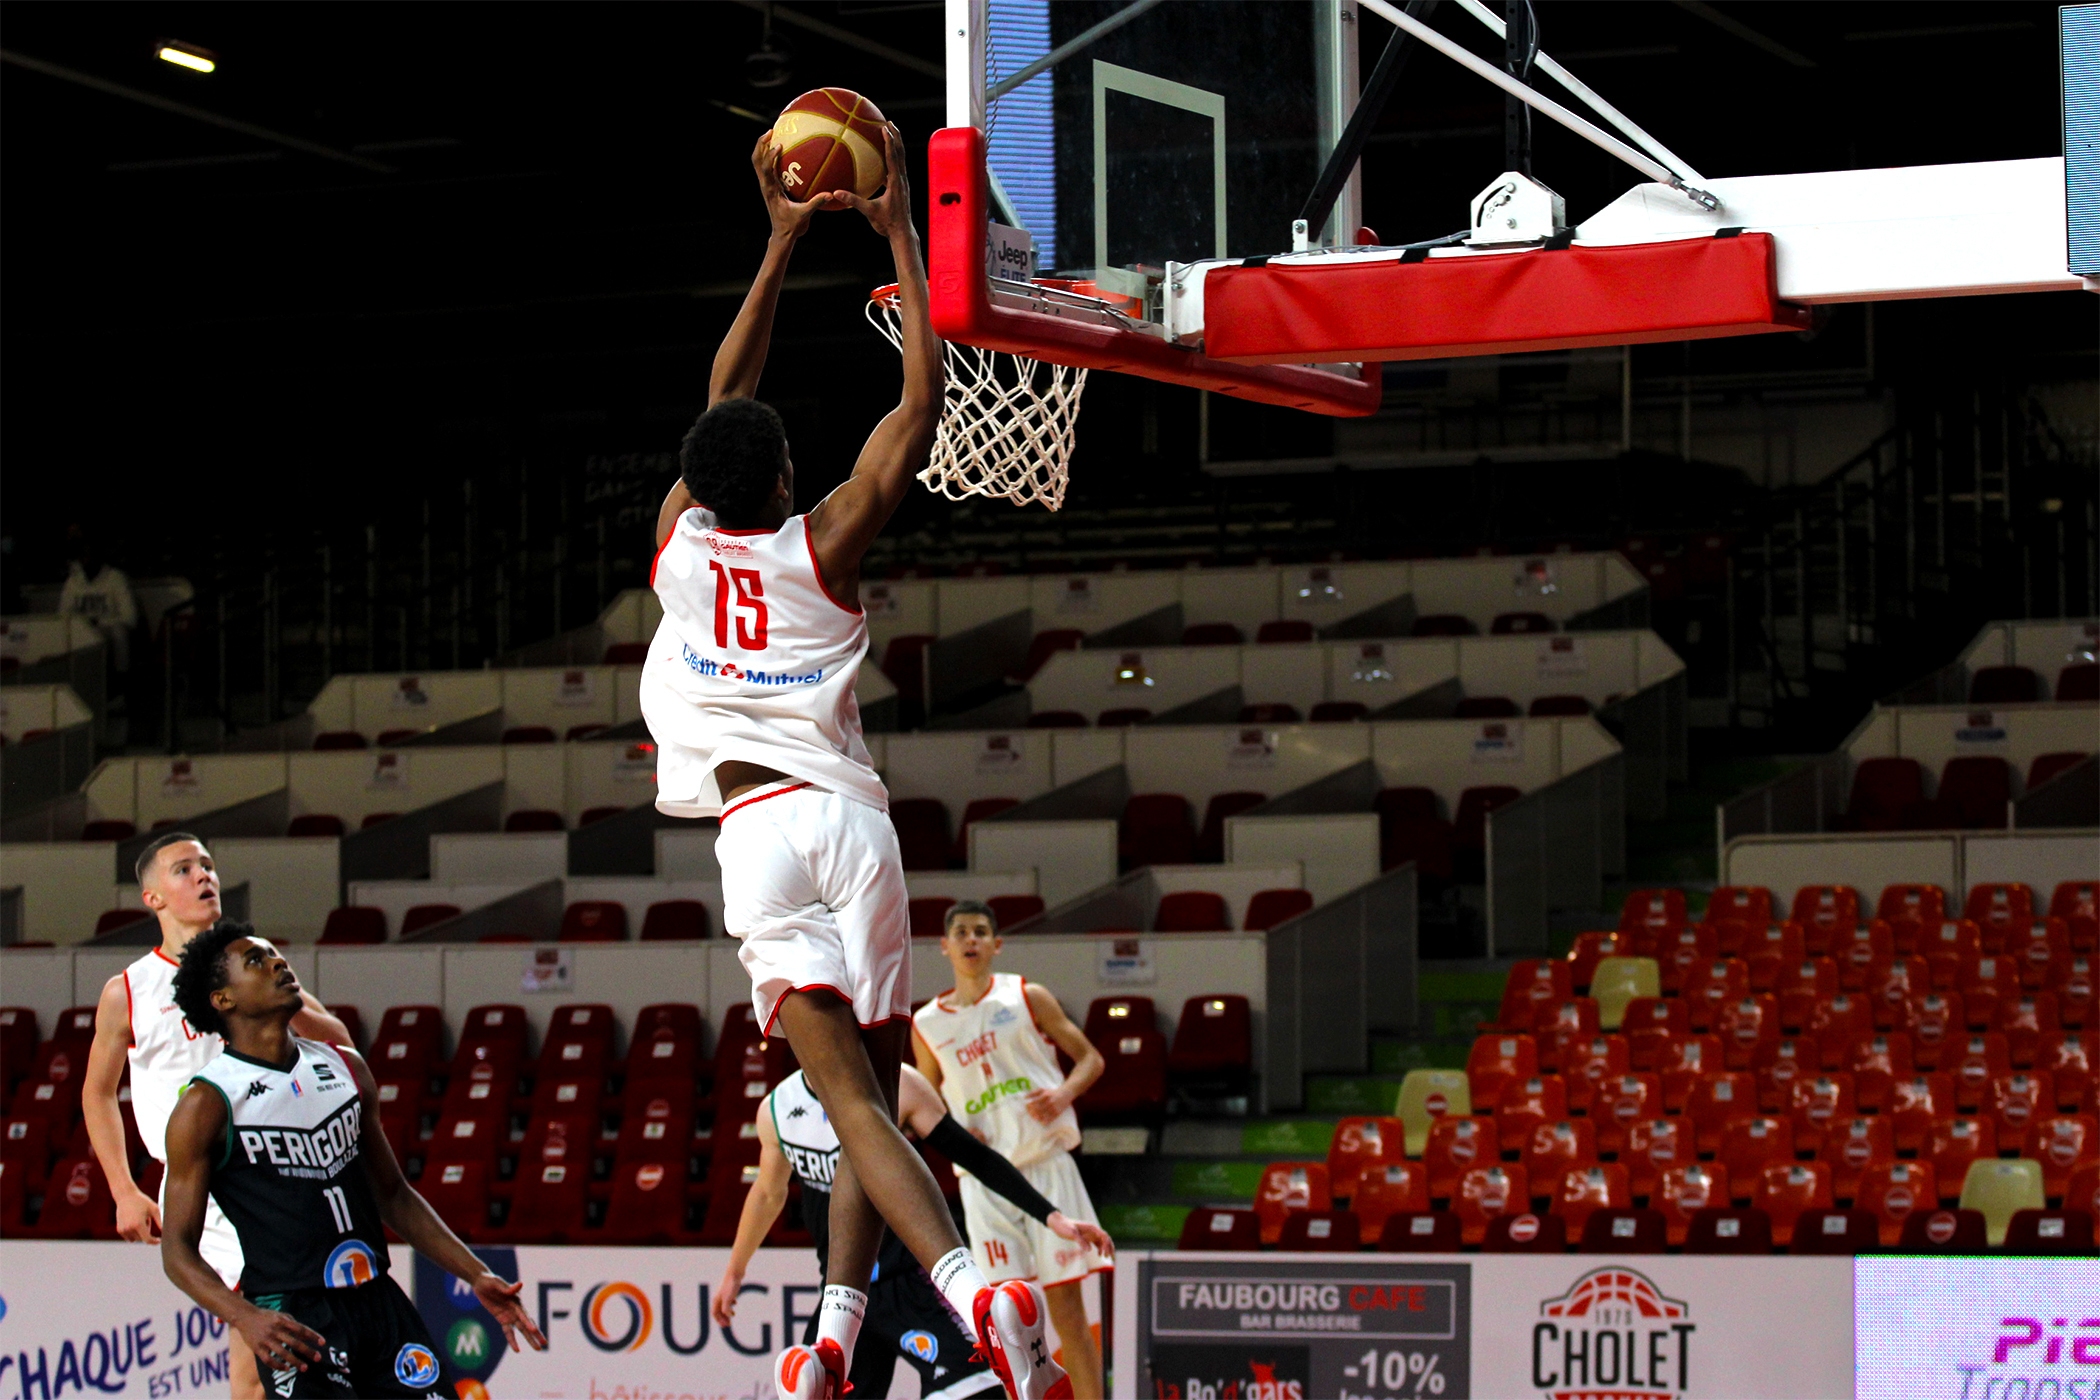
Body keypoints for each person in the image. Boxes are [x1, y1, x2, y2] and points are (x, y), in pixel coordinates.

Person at [638, 125, 1067, 1400]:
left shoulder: (674, 548)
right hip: (854, 827)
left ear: (700, 486)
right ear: (781, 473)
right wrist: (894, 233)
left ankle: (937, 1295)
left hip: (756, 832)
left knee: (853, 1104)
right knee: (870, 1096)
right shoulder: (824, 540)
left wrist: (773, 248)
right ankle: (848, 1324)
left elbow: (721, 397)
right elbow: (918, 406)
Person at [160, 921, 547, 1396]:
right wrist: (244, 1317)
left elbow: (392, 1194)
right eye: (256, 961)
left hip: (378, 1301)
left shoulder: (345, 1066)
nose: (279, 963)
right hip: (295, 1316)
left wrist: (476, 1272)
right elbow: (177, 1249)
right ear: (223, 1000)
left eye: (276, 954)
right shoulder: (207, 1103)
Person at [82, 832, 355, 1400]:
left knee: (284, 1358)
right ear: (152, 898)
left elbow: (341, 1044)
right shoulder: (127, 990)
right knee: (264, 1357)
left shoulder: (256, 962)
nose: (204, 875)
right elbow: (98, 1092)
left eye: (208, 865)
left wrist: (289, 1001)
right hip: (203, 1186)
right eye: (184, 869)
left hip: (278, 1171)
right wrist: (123, 1189)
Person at [717, 1063, 1115, 1399]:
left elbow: (972, 1155)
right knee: (816, 1386)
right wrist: (735, 1271)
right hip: (842, 1291)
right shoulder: (777, 1109)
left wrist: (1051, 1216)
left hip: (912, 1282)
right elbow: (768, 1194)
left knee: (980, 1388)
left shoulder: (901, 1083)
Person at [913, 902, 1111, 1400]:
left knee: (1067, 1311)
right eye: (960, 932)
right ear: (945, 946)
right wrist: (955, 1130)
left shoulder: (1027, 995)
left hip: (1045, 1165)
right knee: (1006, 1321)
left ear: (996, 944)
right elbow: (928, 1098)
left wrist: (1064, 1093)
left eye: (981, 931)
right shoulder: (928, 1023)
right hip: (983, 1182)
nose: (971, 939)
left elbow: (1091, 1059)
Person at [58, 524, 139, 674]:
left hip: (108, 635)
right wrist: (85, 626)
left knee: (119, 633)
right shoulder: (73, 581)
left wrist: (98, 623)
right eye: (82, 556)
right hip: (80, 634)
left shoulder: (116, 578)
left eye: (89, 555)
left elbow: (130, 619)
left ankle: (122, 680)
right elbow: (63, 616)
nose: (85, 560)